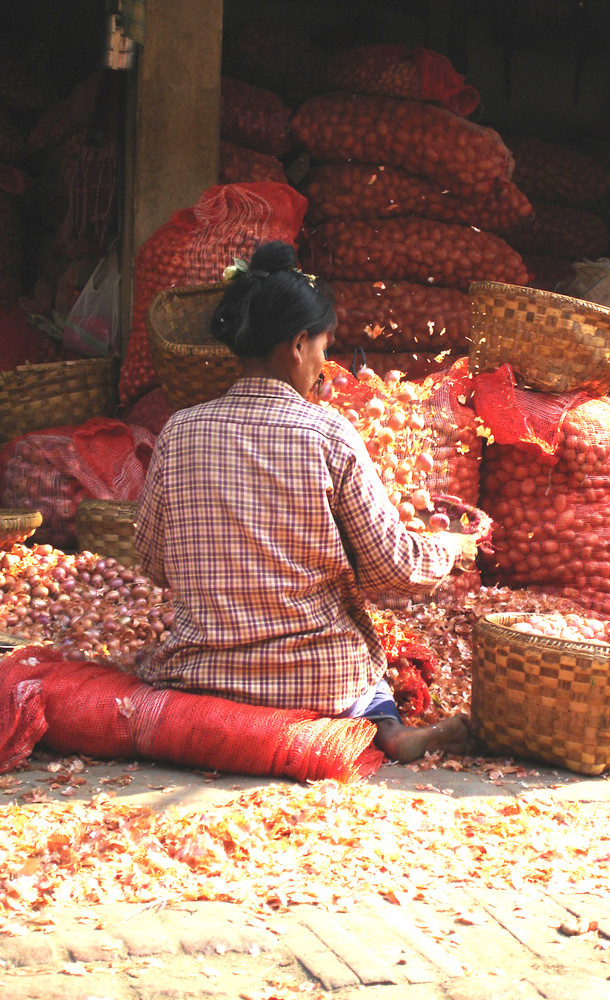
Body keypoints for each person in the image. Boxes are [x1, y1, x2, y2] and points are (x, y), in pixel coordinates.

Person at [134, 240, 477, 764]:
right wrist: (450, 548)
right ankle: (388, 729)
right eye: (323, 348)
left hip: (200, 673)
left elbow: (155, 562)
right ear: (297, 345)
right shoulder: (327, 433)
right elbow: (391, 569)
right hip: (316, 680)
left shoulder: (179, 430)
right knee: (372, 689)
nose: (325, 365)